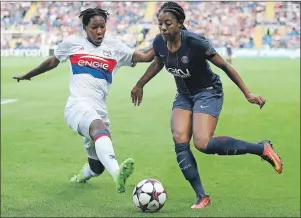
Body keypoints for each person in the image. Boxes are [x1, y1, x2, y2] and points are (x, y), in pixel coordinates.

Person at [130, 1, 283, 209]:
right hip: (184, 95)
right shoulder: (159, 42)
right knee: (180, 140)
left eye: (168, 23)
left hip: (208, 91)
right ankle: (202, 196)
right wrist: (140, 84)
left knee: (203, 144)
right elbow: (158, 62)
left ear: (180, 23)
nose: (163, 28)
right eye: (160, 24)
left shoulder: (196, 42)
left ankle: (261, 148)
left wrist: (248, 93)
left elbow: (225, 66)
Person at [12, 7, 154, 193]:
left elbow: (146, 56)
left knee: (97, 167)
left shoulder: (115, 48)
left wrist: (166, 38)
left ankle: (83, 176)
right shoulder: (72, 43)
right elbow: (52, 62)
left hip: (99, 111)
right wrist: (28, 75)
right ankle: (117, 173)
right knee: (99, 129)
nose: (99, 31)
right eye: (94, 27)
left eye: (102, 26)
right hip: (76, 106)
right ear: (85, 27)